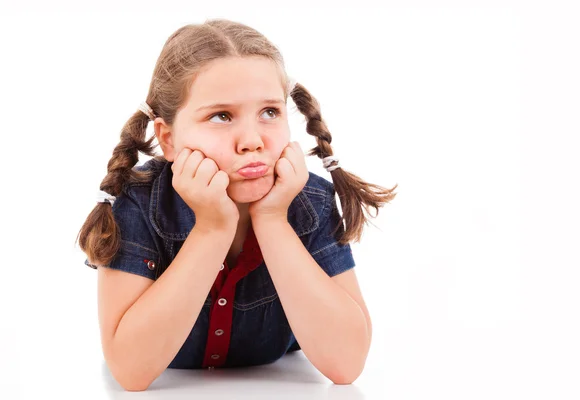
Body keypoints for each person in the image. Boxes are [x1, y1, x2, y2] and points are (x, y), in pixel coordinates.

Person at [76, 18, 397, 391]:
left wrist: (273, 219)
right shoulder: (138, 203)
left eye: (270, 113)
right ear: (169, 139)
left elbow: (346, 364)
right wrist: (213, 228)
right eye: (221, 116)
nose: (252, 141)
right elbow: (130, 372)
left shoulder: (311, 201)